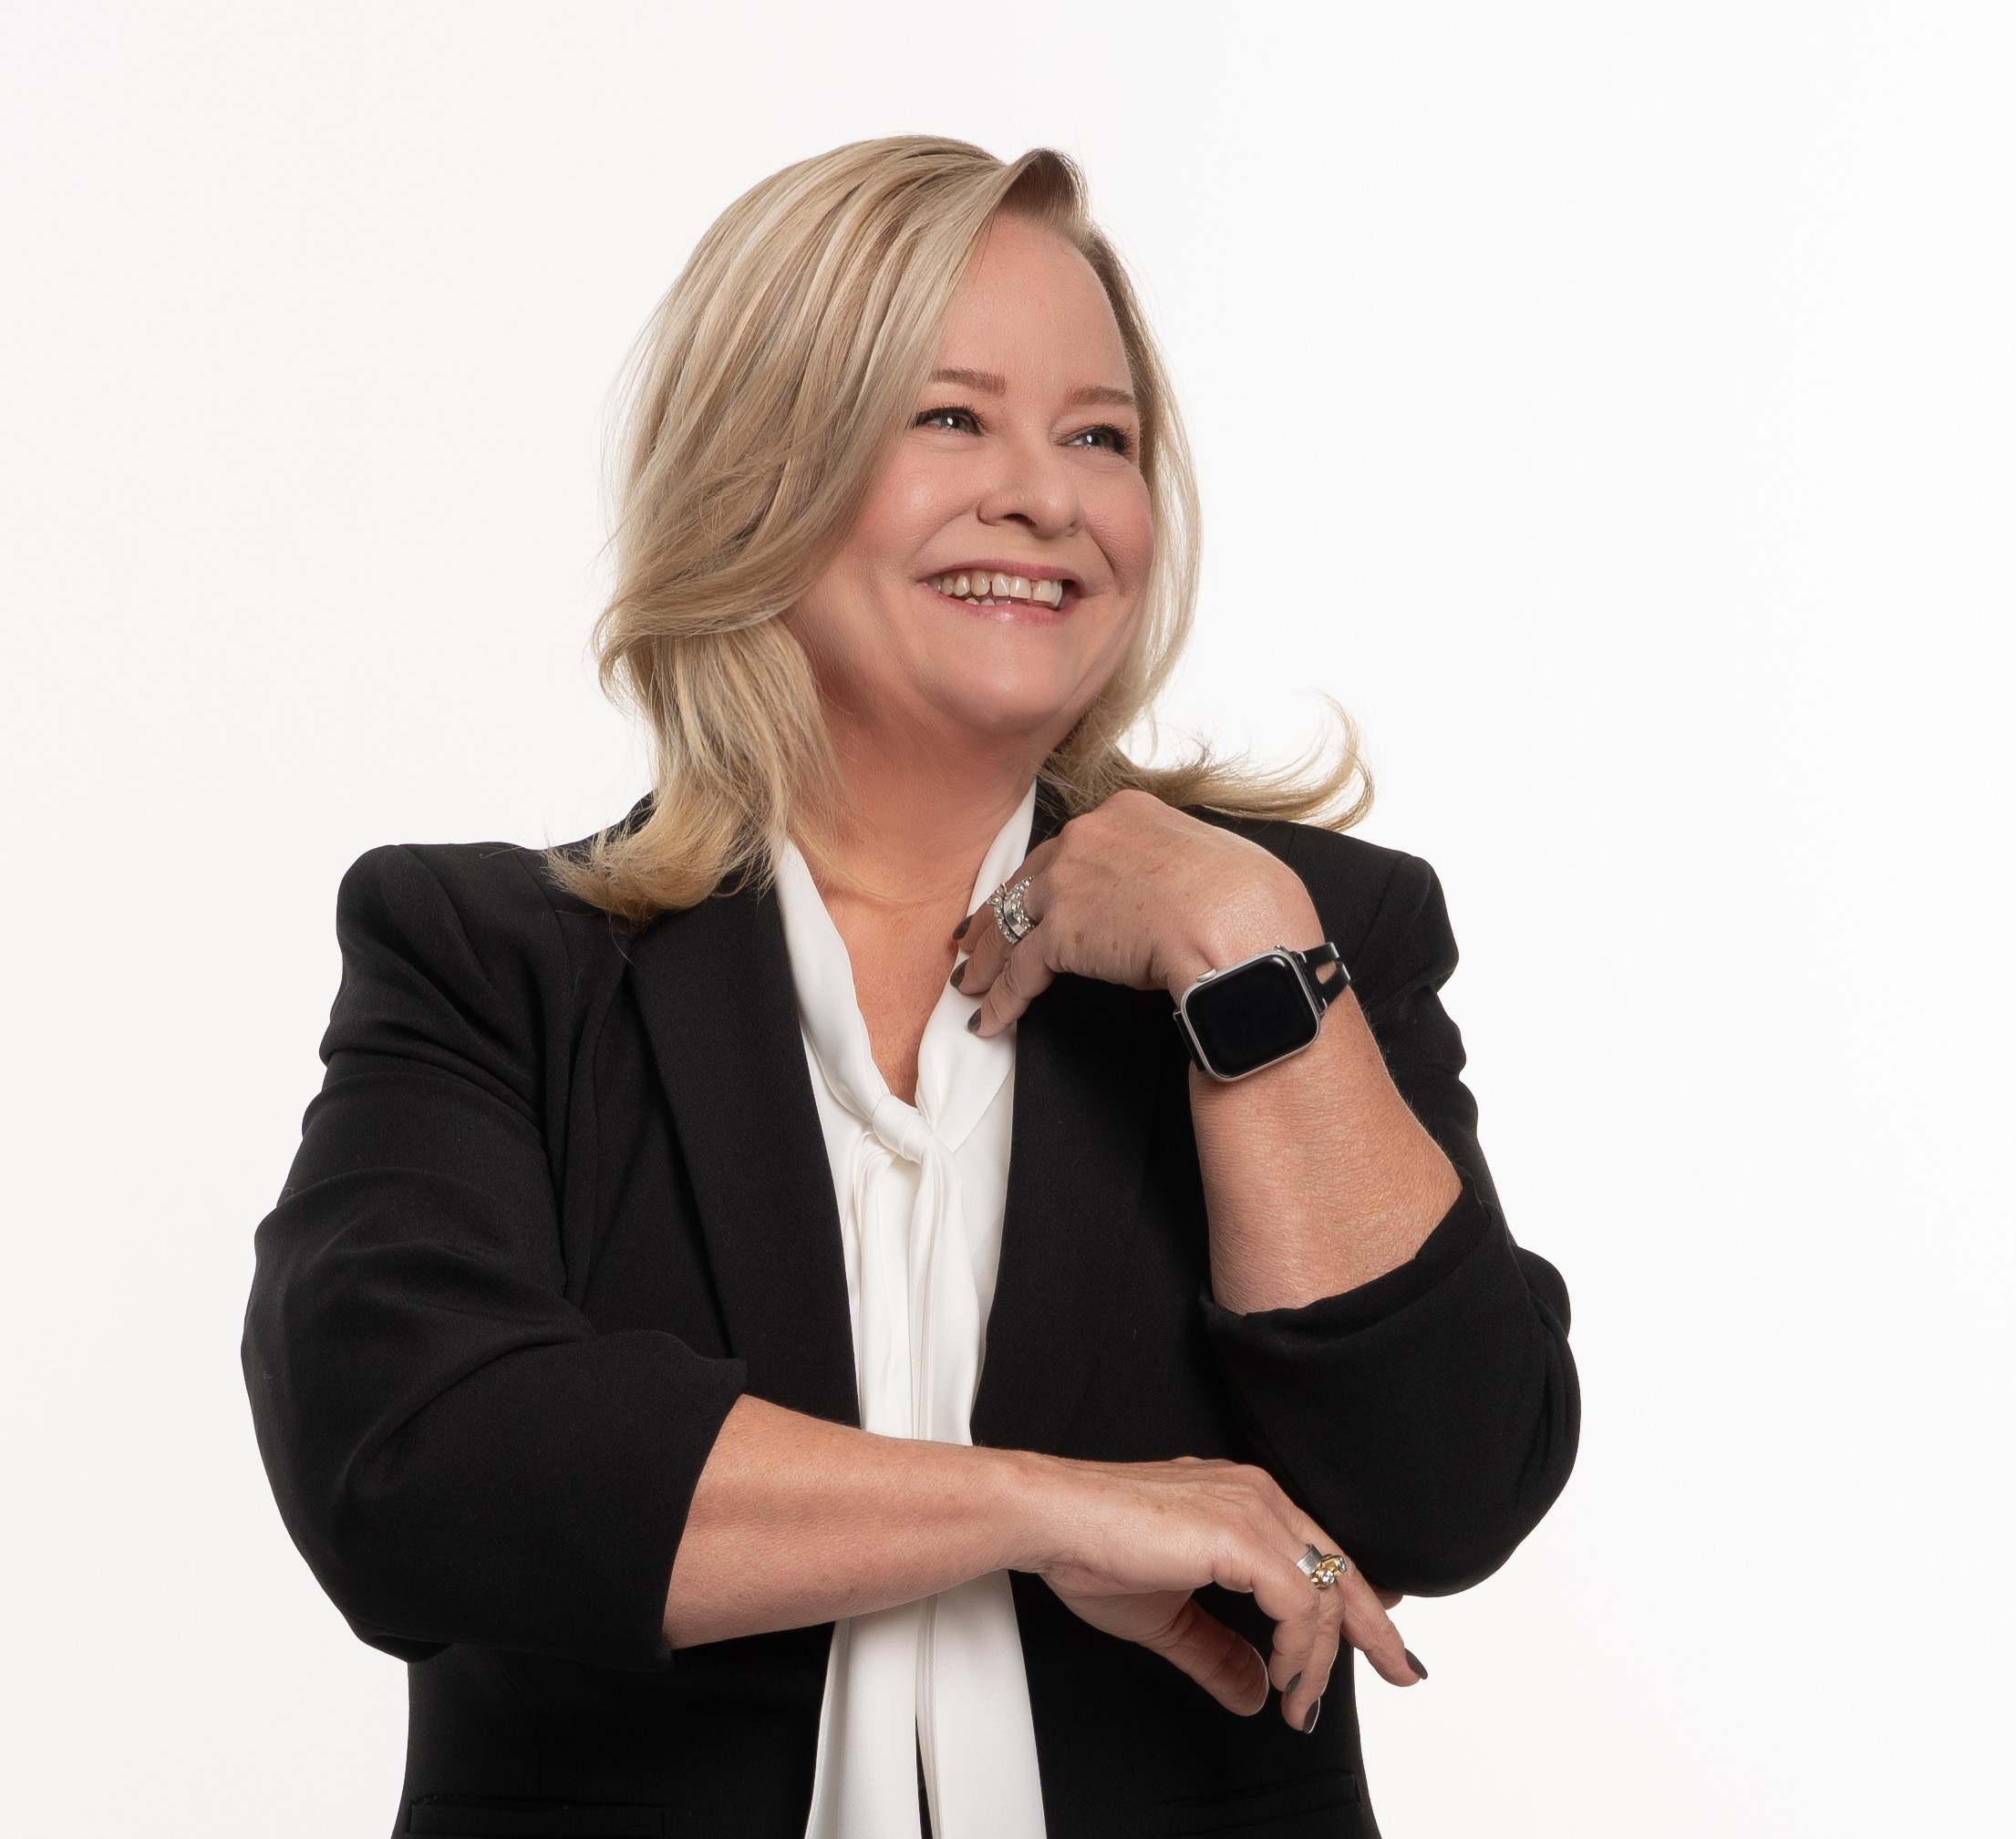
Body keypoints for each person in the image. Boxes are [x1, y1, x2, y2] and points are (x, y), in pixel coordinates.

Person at [243, 136, 1579, 1839]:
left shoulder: (1307, 935)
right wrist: (1045, 1507)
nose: (1048, 498)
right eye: (952, 417)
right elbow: (409, 1464)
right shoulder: (494, 956)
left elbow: (1448, 1489)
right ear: (760, 470)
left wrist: (1250, 956)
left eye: (1099, 436)